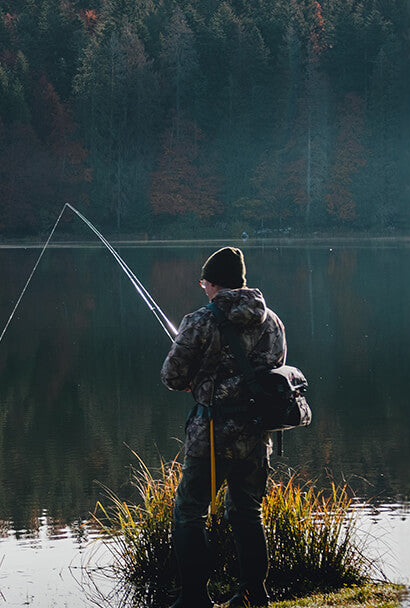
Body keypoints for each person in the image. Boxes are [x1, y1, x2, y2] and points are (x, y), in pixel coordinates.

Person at [159, 246, 287, 608]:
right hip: (256, 433)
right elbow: (272, 369)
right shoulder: (272, 320)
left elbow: (172, 376)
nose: (204, 289)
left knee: (189, 512)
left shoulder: (201, 320)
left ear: (214, 284)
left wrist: (194, 380)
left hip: (211, 433)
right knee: (247, 511)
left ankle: (195, 599)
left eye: (205, 283)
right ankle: (253, 594)